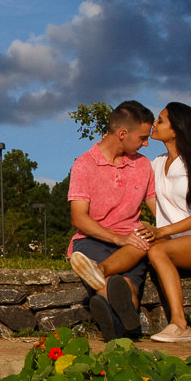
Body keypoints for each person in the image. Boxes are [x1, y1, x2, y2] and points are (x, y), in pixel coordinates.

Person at [71, 102, 191, 342]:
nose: (151, 133)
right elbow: (153, 200)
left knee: (153, 248)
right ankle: (106, 285)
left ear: (176, 130)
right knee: (139, 253)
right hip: (161, 238)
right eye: (146, 131)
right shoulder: (155, 164)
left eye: (160, 121)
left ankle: (179, 324)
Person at [67, 100, 158, 341]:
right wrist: (117, 237)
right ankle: (125, 328)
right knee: (118, 289)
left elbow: (159, 209)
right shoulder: (84, 164)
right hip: (93, 240)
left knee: (125, 286)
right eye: (142, 137)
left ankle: (114, 327)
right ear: (122, 133)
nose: (146, 143)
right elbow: (79, 218)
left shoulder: (143, 165)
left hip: (132, 246)